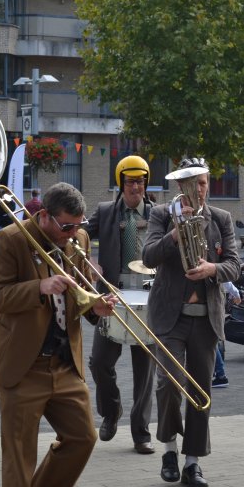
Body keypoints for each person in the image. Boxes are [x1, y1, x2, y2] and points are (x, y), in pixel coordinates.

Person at [0, 182, 115, 487]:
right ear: (43, 215)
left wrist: (95, 307)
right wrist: (39, 286)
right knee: (19, 458)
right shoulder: (9, 241)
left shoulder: (79, 240)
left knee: (83, 438)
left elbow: (80, 297)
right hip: (21, 365)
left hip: (64, 362)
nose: (73, 234)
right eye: (65, 226)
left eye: (78, 225)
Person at [143, 156, 240, 487]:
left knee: (201, 391)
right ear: (180, 186)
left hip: (206, 319)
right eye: (193, 183)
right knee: (168, 384)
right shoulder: (159, 214)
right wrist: (174, 234)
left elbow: (234, 265)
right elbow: (148, 256)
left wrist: (212, 270)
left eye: (203, 182)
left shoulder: (221, 218)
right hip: (170, 316)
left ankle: (193, 462)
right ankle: (169, 450)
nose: (200, 189)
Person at [86, 156, 156, 454]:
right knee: (99, 362)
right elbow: (78, 236)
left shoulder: (159, 214)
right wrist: (87, 261)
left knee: (145, 371)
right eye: (130, 182)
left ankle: (141, 432)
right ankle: (111, 412)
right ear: (121, 183)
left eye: (140, 182)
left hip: (149, 296)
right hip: (112, 297)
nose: (135, 187)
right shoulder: (105, 212)